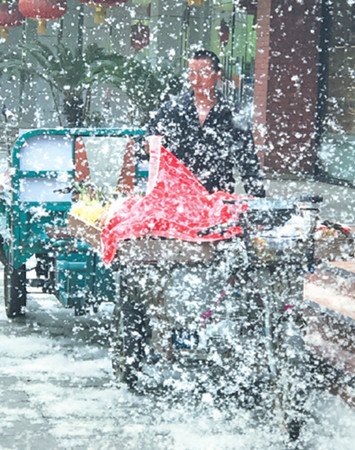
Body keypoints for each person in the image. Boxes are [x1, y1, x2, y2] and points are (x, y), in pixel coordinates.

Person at [146, 49, 265, 197]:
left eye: (203, 73)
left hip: (217, 197)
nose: (196, 80)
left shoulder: (232, 115)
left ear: (217, 75)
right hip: (178, 198)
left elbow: (248, 163)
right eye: (191, 73)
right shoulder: (173, 110)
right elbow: (147, 143)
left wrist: (259, 204)